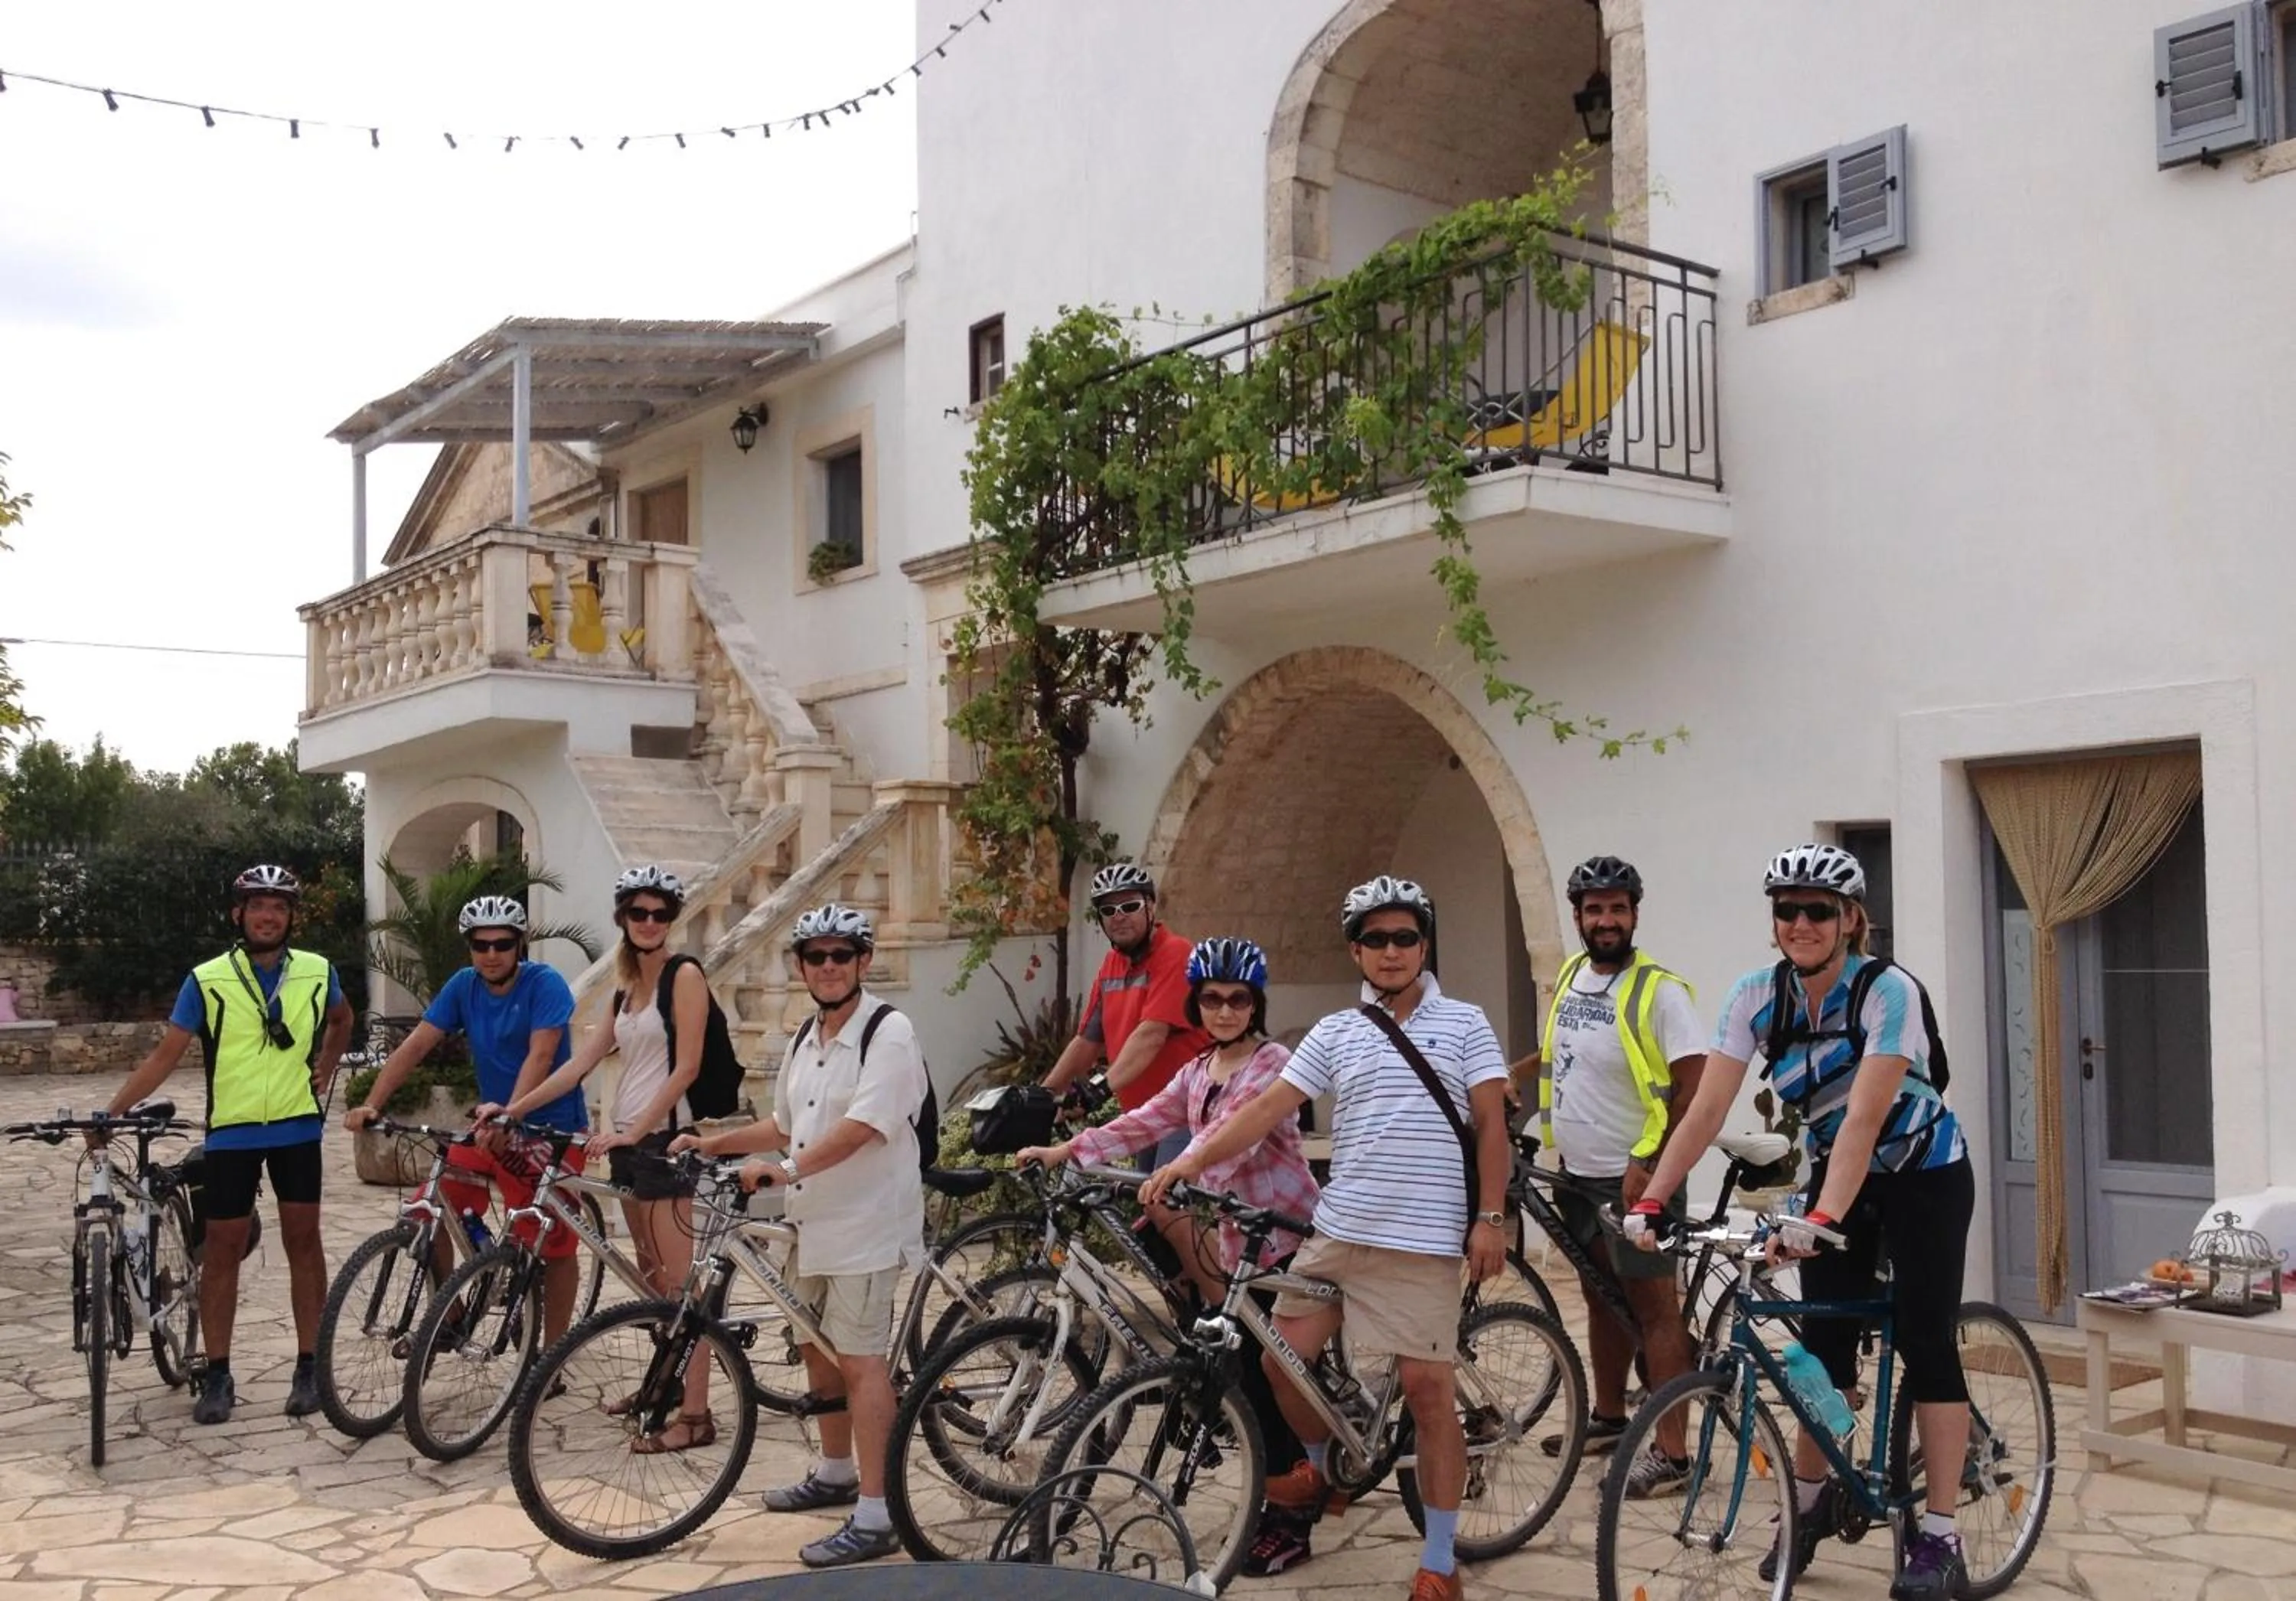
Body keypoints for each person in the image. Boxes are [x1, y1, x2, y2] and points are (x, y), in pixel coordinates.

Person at [1145, 877, 1511, 1601]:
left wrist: (1491, 1218)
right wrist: (1190, 1160)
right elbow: (1265, 1109)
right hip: (1338, 1231)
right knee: (1281, 1359)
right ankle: (1320, 1467)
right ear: (1355, 950)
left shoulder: (1466, 1023)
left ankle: (1440, 1559)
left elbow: (1492, 1125)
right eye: (1376, 939)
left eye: (1405, 937)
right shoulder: (1336, 1031)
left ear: (1425, 945)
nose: (1391, 951)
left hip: (1422, 1240)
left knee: (1427, 1393)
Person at [1626, 843, 1973, 1601]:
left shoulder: (1888, 991)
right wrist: (1654, 1196)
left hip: (1923, 1174)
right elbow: (1706, 1109)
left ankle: (1943, 1535)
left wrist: (1816, 1217)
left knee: (1926, 1343)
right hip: (1837, 1178)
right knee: (1824, 1349)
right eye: (1788, 910)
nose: (1802, 923)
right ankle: (1811, 1500)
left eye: (1820, 909)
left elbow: (1864, 1119)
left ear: (1851, 919)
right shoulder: (1756, 995)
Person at [1016, 936, 1322, 1575]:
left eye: (1238, 1000)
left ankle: (1294, 1515)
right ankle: (1290, 1480)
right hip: (1238, 1242)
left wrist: (1182, 1173)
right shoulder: (1199, 1069)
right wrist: (1068, 1152)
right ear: (1196, 1005)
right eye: (1212, 1000)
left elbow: (1233, 1136)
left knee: (1266, 1372)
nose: (1225, 1011)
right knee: (1245, 1371)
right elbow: (1146, 1121)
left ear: (1256, 1004)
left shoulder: (1272, 1062)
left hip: (1285, 1235)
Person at [674, 903, 926, 1569]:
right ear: (801, 966)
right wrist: (712, 1143)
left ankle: (878, 1516)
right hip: (810, 1223)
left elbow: (864, 1128)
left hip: (867, 1224)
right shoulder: (803, 1038)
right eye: (816, 956)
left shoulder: (889, 1033)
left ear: (864, 961)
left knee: (862, 1363)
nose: (829, 966)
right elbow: (786, 1127)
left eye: (842, 954)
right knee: (816, 1349)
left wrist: (782, 1170)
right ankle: (836, 1473)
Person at [103, 864, 354, 1424]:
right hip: (232, 1131)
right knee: (222, 1248)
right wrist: (112, 1112)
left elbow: (342, 1019)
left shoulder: (317, 971)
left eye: (279, 907)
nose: (269, 916)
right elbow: (166, 1055)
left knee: (303, 1241)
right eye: (258, 906)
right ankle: (217, 1374)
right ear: (238, 914)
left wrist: (327, 1064)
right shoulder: (208, 979)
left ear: (291, 918)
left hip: (296, 1126)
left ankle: (309, 1367)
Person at [478, 865, 713, 1452]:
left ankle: (697, 1415)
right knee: (652, 1280)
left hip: (663, 1142)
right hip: (628, 1143)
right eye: (639, 913)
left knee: (680, 1287)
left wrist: (635, 1132)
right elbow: (578, 1064)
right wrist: (513, 1110)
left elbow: (687, 1067)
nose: (649, 922)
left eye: (660, 913)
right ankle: (662, 1386)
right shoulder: (626, 989)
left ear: (671, 919)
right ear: (623, 919)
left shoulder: (684, 976)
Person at [1512, 856, 1703, 1494]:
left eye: (1618, 908)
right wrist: (1506, 1079)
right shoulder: (1572, 975)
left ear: (1634, 915)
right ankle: (1611, 1417)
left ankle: (1674, 1455)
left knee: (1655, 1311)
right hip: (1580, 1175)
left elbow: (1693, 1086)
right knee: (1600, 1296)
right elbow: (1559, 1053)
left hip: (1636, 1180)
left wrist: (1651, 1165)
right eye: (1595, 910)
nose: (1606, 920)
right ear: (1578, 917)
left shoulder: (1660, 991)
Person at [344, 892, 590, 1356]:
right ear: (470, 947)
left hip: (549, 1133)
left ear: (520, 944)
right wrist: (372, 1104)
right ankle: (453, 1315)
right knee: (427, 1210)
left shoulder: (545, 985)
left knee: (553, 1246)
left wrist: (510, 1114)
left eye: (502, 944)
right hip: (490, 1127)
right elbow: (416, 1046)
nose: (491, 954)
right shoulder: (464, 985)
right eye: (481, 945)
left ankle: (551, 1357)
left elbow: (541, 1056)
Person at [1041, 862, 1211, 1167]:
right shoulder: (1112, 963)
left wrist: (1099, 1089)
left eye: (1130, 906)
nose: (1118, 916)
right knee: (1143, 1194)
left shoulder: (1177, 953)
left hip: (1186, 1109)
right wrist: (1042, 1095)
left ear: (1151, 907)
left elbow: (1151, 1035)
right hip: (1143, 1114)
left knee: (1162, 1191)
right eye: (1108, 910)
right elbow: (1088, 1041)